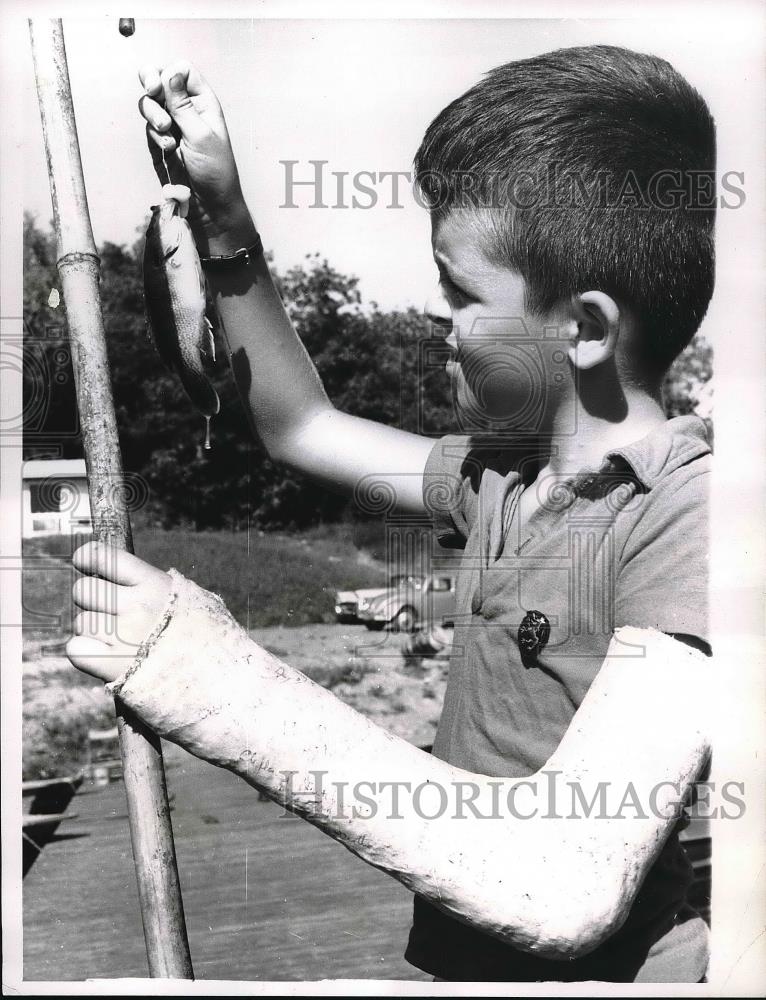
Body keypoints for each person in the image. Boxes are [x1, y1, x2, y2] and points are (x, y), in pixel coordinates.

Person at [67, 45, 715, 982]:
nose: (435, 315)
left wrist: (209, 680)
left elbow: (563, 882)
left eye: (460, 292)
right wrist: (226, 221)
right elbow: (299, 423)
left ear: (582, 329)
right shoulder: (501, 476)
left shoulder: (690, 513)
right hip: (461, 960)